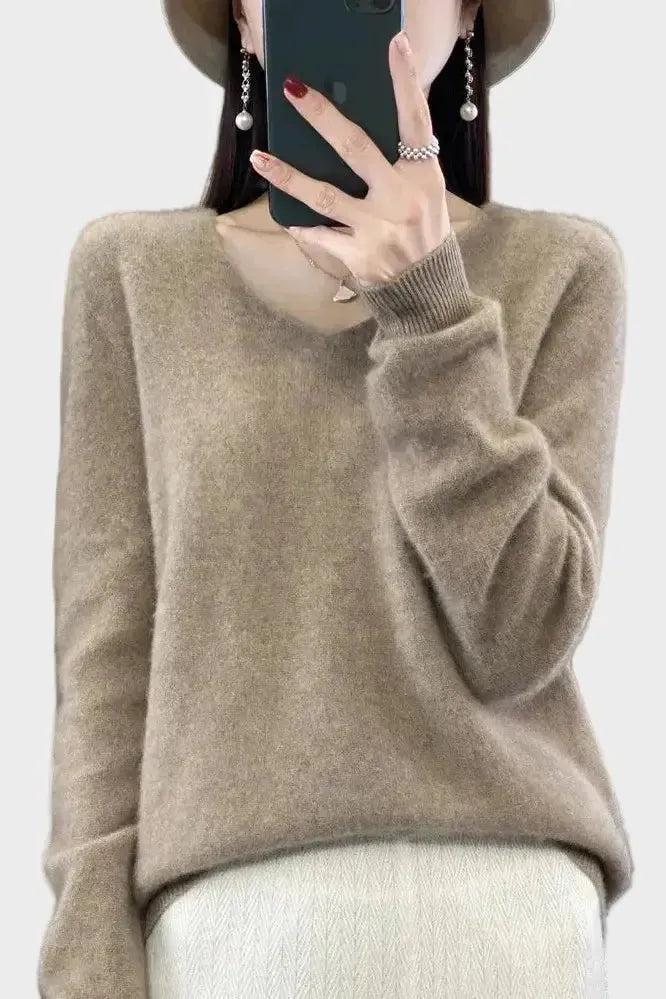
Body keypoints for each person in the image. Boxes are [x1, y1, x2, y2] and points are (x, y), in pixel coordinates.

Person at [37, 0, 635, 996]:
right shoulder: (133, 275)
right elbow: (105, 658)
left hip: (508, 917)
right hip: (227, 930)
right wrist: (89, 956)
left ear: (470, 14)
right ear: (244, 16)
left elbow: (521, 634)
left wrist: (431, 308)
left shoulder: (564, 269)